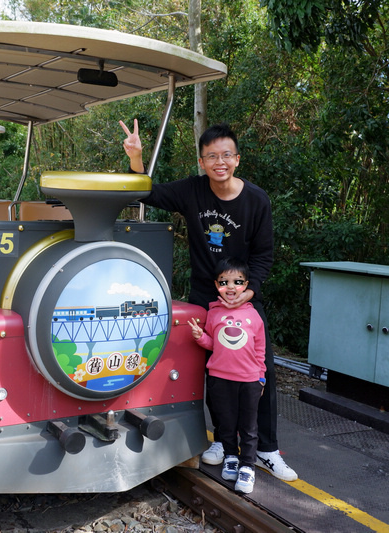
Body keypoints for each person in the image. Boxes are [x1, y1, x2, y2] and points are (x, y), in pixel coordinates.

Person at [119, 119, 297, 482]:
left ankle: (267, 448)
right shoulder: (192, 191)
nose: (220, 161)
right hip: (205, 295)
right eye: (211, 156)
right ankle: (222, 440)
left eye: (226, 155)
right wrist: (136, 158)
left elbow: (264, 255)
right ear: (201, 162)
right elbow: (146, 193)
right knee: (211, 369)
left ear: (237, 159)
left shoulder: (256, 200)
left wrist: (249, 291)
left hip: (244, 298)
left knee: (261, 369)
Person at [188, 257, 265, 494]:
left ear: (246, 285)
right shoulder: (213, 313)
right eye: (224, 282)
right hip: (219, 378)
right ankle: (231, 457)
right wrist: (200, 336)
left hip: (249, 380)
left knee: (249, 426)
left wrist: (261, 377)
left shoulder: (254, 316)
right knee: (226, 423)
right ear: (216, 284)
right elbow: (214, 344)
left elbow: (260, 349)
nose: (230, 287)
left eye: (237, 282)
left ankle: (248, 466)